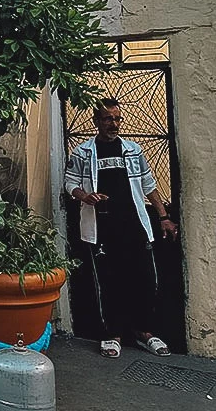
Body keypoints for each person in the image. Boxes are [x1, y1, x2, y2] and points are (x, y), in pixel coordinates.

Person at [65, 98, 177, 359]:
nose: (113, 124)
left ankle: (144, 332)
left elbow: (149, 185)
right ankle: (111, 335)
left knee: (145, 281)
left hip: (134, 226)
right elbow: (69, 184)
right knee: (108, 283)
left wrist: (163, 217)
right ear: (96, 122)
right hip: (101, 229)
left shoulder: (133, 151)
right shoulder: (82, 153)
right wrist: (85, 196)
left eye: (117, 119)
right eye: (107, 119)